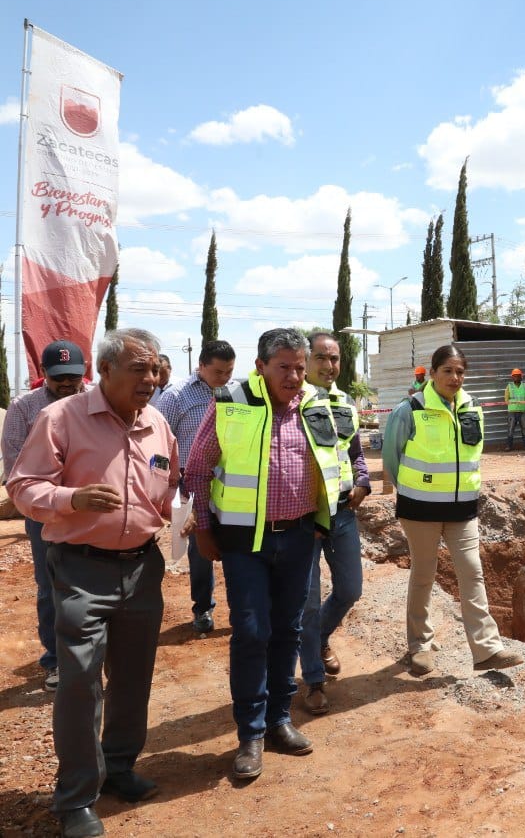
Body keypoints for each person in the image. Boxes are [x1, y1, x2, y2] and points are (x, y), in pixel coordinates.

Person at [8, 328, 178, 838]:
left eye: (154, 370)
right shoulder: (60, 418)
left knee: (133, 675)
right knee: (80, 682)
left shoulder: (156, 422)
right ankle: (76, 798)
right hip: (82, 568)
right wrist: (71, 500)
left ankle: (119, 766)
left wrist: (186, 514)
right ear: (103, 372)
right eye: (138, 369)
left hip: (144, 568)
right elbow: (22, 485)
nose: (150, 379)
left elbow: (168, 486)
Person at [185, 328, 341, 781]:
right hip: (243, 541)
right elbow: (197, 468)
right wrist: (204, 529)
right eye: (284, 368)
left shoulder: (315, 403)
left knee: (288, 629)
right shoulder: (230, 402)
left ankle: (278, 722)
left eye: (299, 367)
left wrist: (321, 522)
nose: (294, 376)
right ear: (260, 367)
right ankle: (250, 733)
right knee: (252, 631)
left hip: (297, 538)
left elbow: (334, 459)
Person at [383, 344, 521, 677]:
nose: (455, 377)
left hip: (463, 509)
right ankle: (420, 646)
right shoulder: (411, 409)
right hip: (420, 509)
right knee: (424, 575)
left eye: (460, 371)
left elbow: (474, 455)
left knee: (472, 572)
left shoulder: (473, 408)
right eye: (447, 370)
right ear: (432, 373)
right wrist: (410, 491)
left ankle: (486, 649)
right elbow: (391, 454)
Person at [1, 340, 88, 692]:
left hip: (90, 512)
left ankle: (89, 656)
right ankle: (54, 660)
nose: (67, 384)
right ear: (43, 376)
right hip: (45, 515)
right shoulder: (24, 408)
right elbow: (16, 468)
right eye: (58, 379)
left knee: (91, 583)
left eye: (73, 377)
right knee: (50, 586)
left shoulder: (96, 401)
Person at [298, 332, 370, 716]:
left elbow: (354, 453)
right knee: (306, 602)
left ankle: (321, 637)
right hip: (306, 517)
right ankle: (312, 680)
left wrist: (362, 481)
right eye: (322, 358)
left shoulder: (345, 402)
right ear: (306, 361)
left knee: (350, 589)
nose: (329, 365)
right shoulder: (293, 402)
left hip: (342, 512)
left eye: (335, 358)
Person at [156, 340, 237, 634]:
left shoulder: (235, 395)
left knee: (236, 546)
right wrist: (169, 486)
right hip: (190, 484)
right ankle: (203, 607)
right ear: (201, 366)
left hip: (230, 486)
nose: (224, 378)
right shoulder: (176, 397)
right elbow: (159, 444)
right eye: (218, 372)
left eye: (229, 371)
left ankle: (242, 607)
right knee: (200, 550)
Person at [504, 368, 525, 451]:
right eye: (515, 376)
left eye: (518, 376)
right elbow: (506, 400)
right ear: (512, 377)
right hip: (512, 412)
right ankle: (509, 446)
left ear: (521, 377)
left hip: (523, 411)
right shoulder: (509, 386)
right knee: (510, 429)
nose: (516, 377)